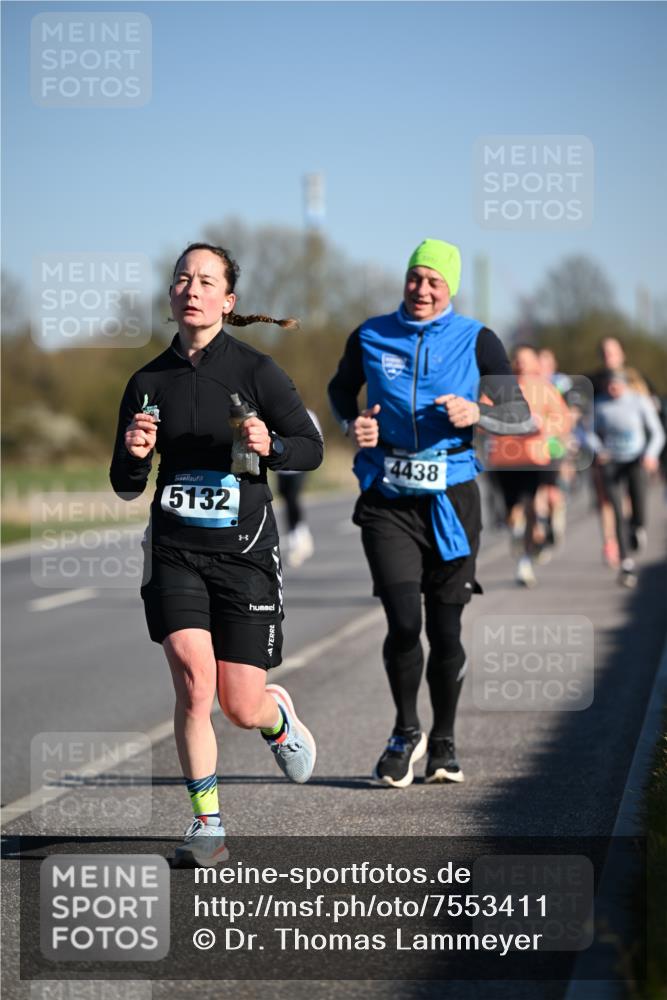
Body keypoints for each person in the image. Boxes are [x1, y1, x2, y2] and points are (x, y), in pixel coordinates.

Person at [110, 243, 323, 864]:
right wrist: (133, 451)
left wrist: (271, 445)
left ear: (227, 302)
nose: (192, 288)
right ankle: (208, 824)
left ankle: (274, 718)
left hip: (246, 553)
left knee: (237, 703)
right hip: (176, 550)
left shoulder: (257, 372)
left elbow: (309, 448)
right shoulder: (147, 382)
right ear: (172, 296)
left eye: (206, 281)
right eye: (183, 279)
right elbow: (125, 486)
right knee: (194, 683)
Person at [328, 239, 531, 788]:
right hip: (387, 497)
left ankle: (444, 740)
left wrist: (478, 414)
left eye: (434, 282)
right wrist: (353, 426)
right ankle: (404, 732)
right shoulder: (371, 333)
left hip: (453, 499)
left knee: (446, 630)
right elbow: (340, 389)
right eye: (415, 278)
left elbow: (520, 416)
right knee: (402, 622)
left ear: (451, 288)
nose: (421, 289)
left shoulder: (477, 339)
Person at [485, 345, 573, 587]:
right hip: (504, 460)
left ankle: (524, 562)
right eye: (518, 359)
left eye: (526, 360)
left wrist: (543, 425)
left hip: (534, 458)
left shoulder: (544, 388)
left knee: (532, 505)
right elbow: (480, 417)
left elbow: (562, 419)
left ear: (535, 363)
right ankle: (518, 535)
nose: (521, 364)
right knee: (513, 512)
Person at [589, 370, 665, 587]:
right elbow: (588, 431)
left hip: (636, 460)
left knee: (638, 508)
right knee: (616, 510)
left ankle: (637, 527)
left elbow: (657, 432)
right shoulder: (599, 404)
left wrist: (650, 455)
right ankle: (626, 563)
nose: (612, 389)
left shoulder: (638, 402)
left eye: (616, 385)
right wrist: (599, 449)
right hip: (611, 461)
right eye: (609, 385)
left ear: (625, 385)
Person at [276, 409, 322, 567]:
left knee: (293, 499)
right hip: (281, 468)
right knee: (286, 500)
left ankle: (300, 538)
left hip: (299, 467)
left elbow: (317, 439)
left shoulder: (308, 414)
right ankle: (296, 535)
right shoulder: (274, 411)